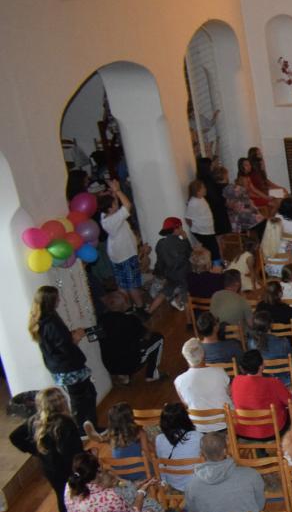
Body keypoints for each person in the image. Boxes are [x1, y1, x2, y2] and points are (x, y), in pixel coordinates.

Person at [9, 387, 84, 512]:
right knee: (78, 493)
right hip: (68, 468)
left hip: (50, 469)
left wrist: (37, 451)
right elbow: (72, 451)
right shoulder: (65, 424)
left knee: (61, 496)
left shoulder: (35, 420)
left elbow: (15, 436)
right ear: (62, 402)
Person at [28, 285, 97, 427]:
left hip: (60, 367)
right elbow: (65, 348)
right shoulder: (51, 322)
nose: (59, 300)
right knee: (82, 399)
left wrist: (69, 336)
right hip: (69, 367)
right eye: (57, 298)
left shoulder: (41, 320)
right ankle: (84, 428)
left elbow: (55, 343)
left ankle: (87, 426)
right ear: (50, 301)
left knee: (85, 395)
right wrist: (76, 337)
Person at [184, 431, 267, 512]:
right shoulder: (251, 474)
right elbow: (260, 505)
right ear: (225, 451)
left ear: (202, 454)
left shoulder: (191, 486)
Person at [101, 178, 146, 310]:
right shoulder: (114, 219)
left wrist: (114, 192)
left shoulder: (104, 216)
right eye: (115, 203)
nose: (117, 204)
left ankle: (126, 307)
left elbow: (116, 204)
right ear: (110, 208)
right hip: (126, 255)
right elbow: (127, 205)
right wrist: (118, 191)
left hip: (117, 256)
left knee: (122, 284)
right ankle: (140, 308)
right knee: (132, 285)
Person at [150, 215, 192, 313]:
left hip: (169, 274)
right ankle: (183, 308)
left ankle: (150, 311)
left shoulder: (160, 243)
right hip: (183, 275)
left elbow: (160, 262)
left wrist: (160, 275)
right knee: (186, 290)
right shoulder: (181, 243)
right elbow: (190, 254)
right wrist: (185, 239)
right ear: (176, 229)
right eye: (180, 227)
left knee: (165, 291)